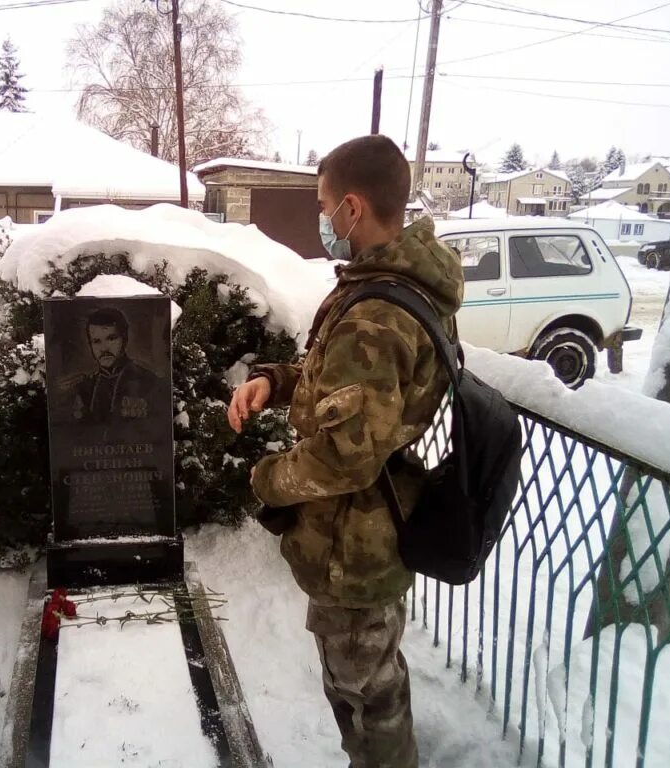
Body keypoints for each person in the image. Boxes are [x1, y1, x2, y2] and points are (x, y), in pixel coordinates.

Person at [227, 135, 464, 768]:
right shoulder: (388, 288)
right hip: (360, 530)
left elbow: (345, 457)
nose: (323, 218)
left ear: (353, 209)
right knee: (363, 678)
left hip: (356, 545)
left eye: (325, 204)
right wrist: (275, 381)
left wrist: (267, 479)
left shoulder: (376, 315)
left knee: (366, 692)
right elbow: (340, 386)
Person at [63, 307, 163, 425]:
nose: (104, 348)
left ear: (124, 339)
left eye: (111, 338)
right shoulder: (82, 388)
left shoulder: (150, 383)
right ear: (90, 345)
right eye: (96, 341)